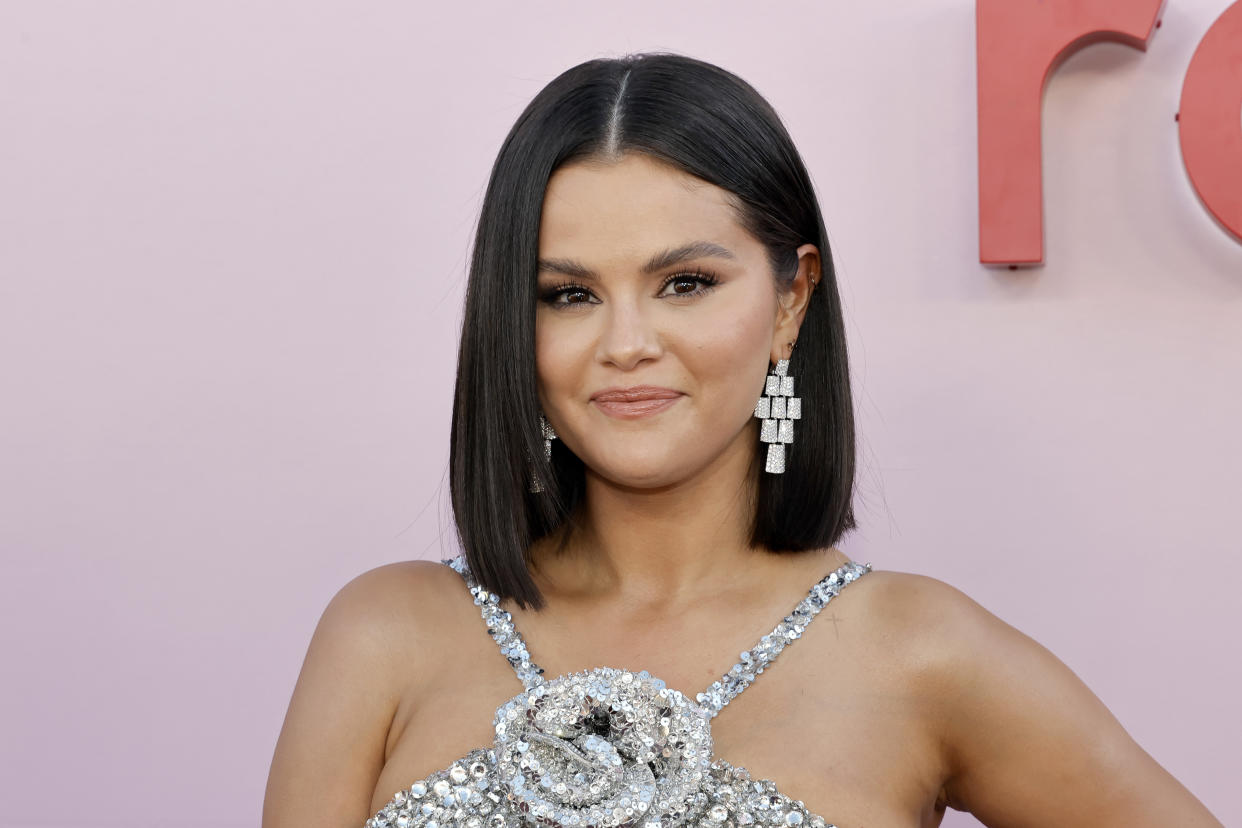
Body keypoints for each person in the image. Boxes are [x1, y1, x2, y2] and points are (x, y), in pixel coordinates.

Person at [262, 52, 1223, 828]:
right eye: (568, 295)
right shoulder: (385, 634)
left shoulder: (920, 655)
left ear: (790, 301)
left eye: (686, 283)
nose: (627, 344)